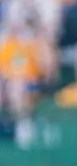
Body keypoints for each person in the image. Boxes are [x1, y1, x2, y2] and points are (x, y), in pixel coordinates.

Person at [0, 9, 53, 147]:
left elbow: (47, 70)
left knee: (18, 88)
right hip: (10, 82)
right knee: (11, 87)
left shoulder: (39, 43)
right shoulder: (9, 44)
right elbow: (3, 68)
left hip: (32, 84)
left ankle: (23, 127)